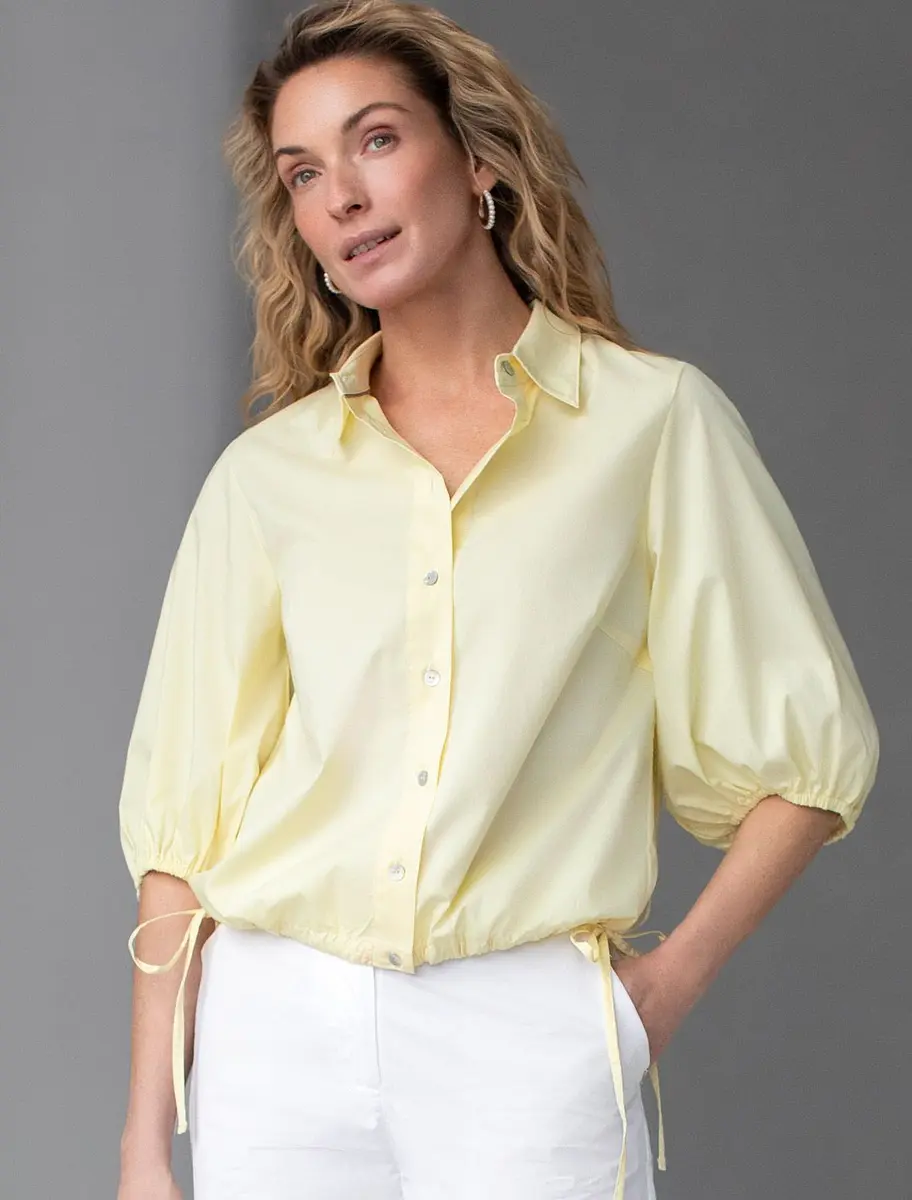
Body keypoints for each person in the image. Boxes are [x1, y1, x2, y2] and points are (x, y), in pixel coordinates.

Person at [115, 2, 881, 1198]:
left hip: (524, 1038)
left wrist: (653, 999)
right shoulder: (269, 476)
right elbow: (182, 835)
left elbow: (810, 763)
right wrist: (142, 1149)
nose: (343, 197)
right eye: (304, 173)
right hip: (274, 1033)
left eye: (376, 140)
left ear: (477, 159)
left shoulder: (650, 424)